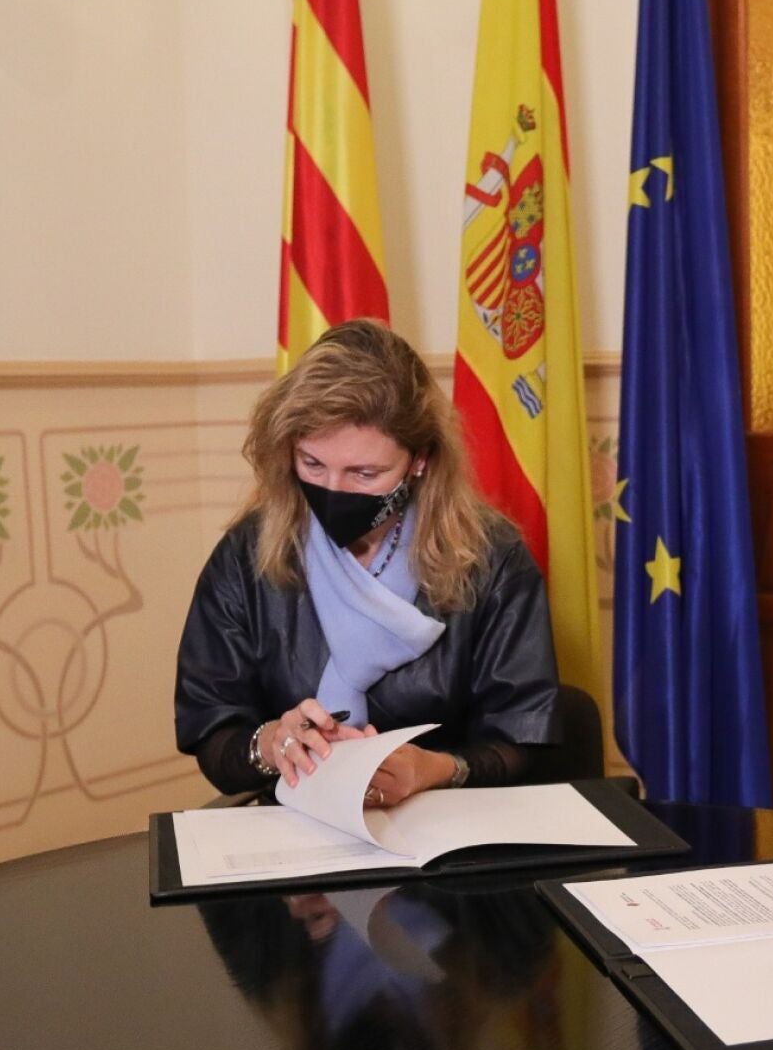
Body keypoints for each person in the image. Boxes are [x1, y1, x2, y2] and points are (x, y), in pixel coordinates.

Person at [174, 319, 558, 805]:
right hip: (295, 827)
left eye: (365, 473)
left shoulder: (492, 557)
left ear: (419, 460)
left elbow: (527, 738)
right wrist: (270, 743)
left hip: (446, 827)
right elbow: (211, 730)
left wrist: (436, 769)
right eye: (313, 464)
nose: (333, 490)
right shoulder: (246, 553)